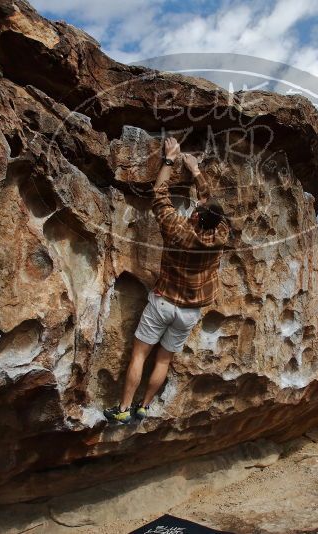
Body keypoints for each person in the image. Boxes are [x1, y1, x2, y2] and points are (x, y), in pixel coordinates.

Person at [104, 137, 229, 424]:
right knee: (163, 360)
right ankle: (144, 407)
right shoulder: (220, 235)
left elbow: (159, 195)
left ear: (195, 216)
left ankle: (123, 409)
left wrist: (170, 160)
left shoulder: (177, 230)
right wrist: (196, 171)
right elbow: (210, 202)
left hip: (163, 302)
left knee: (139, 355)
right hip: (189, 312)